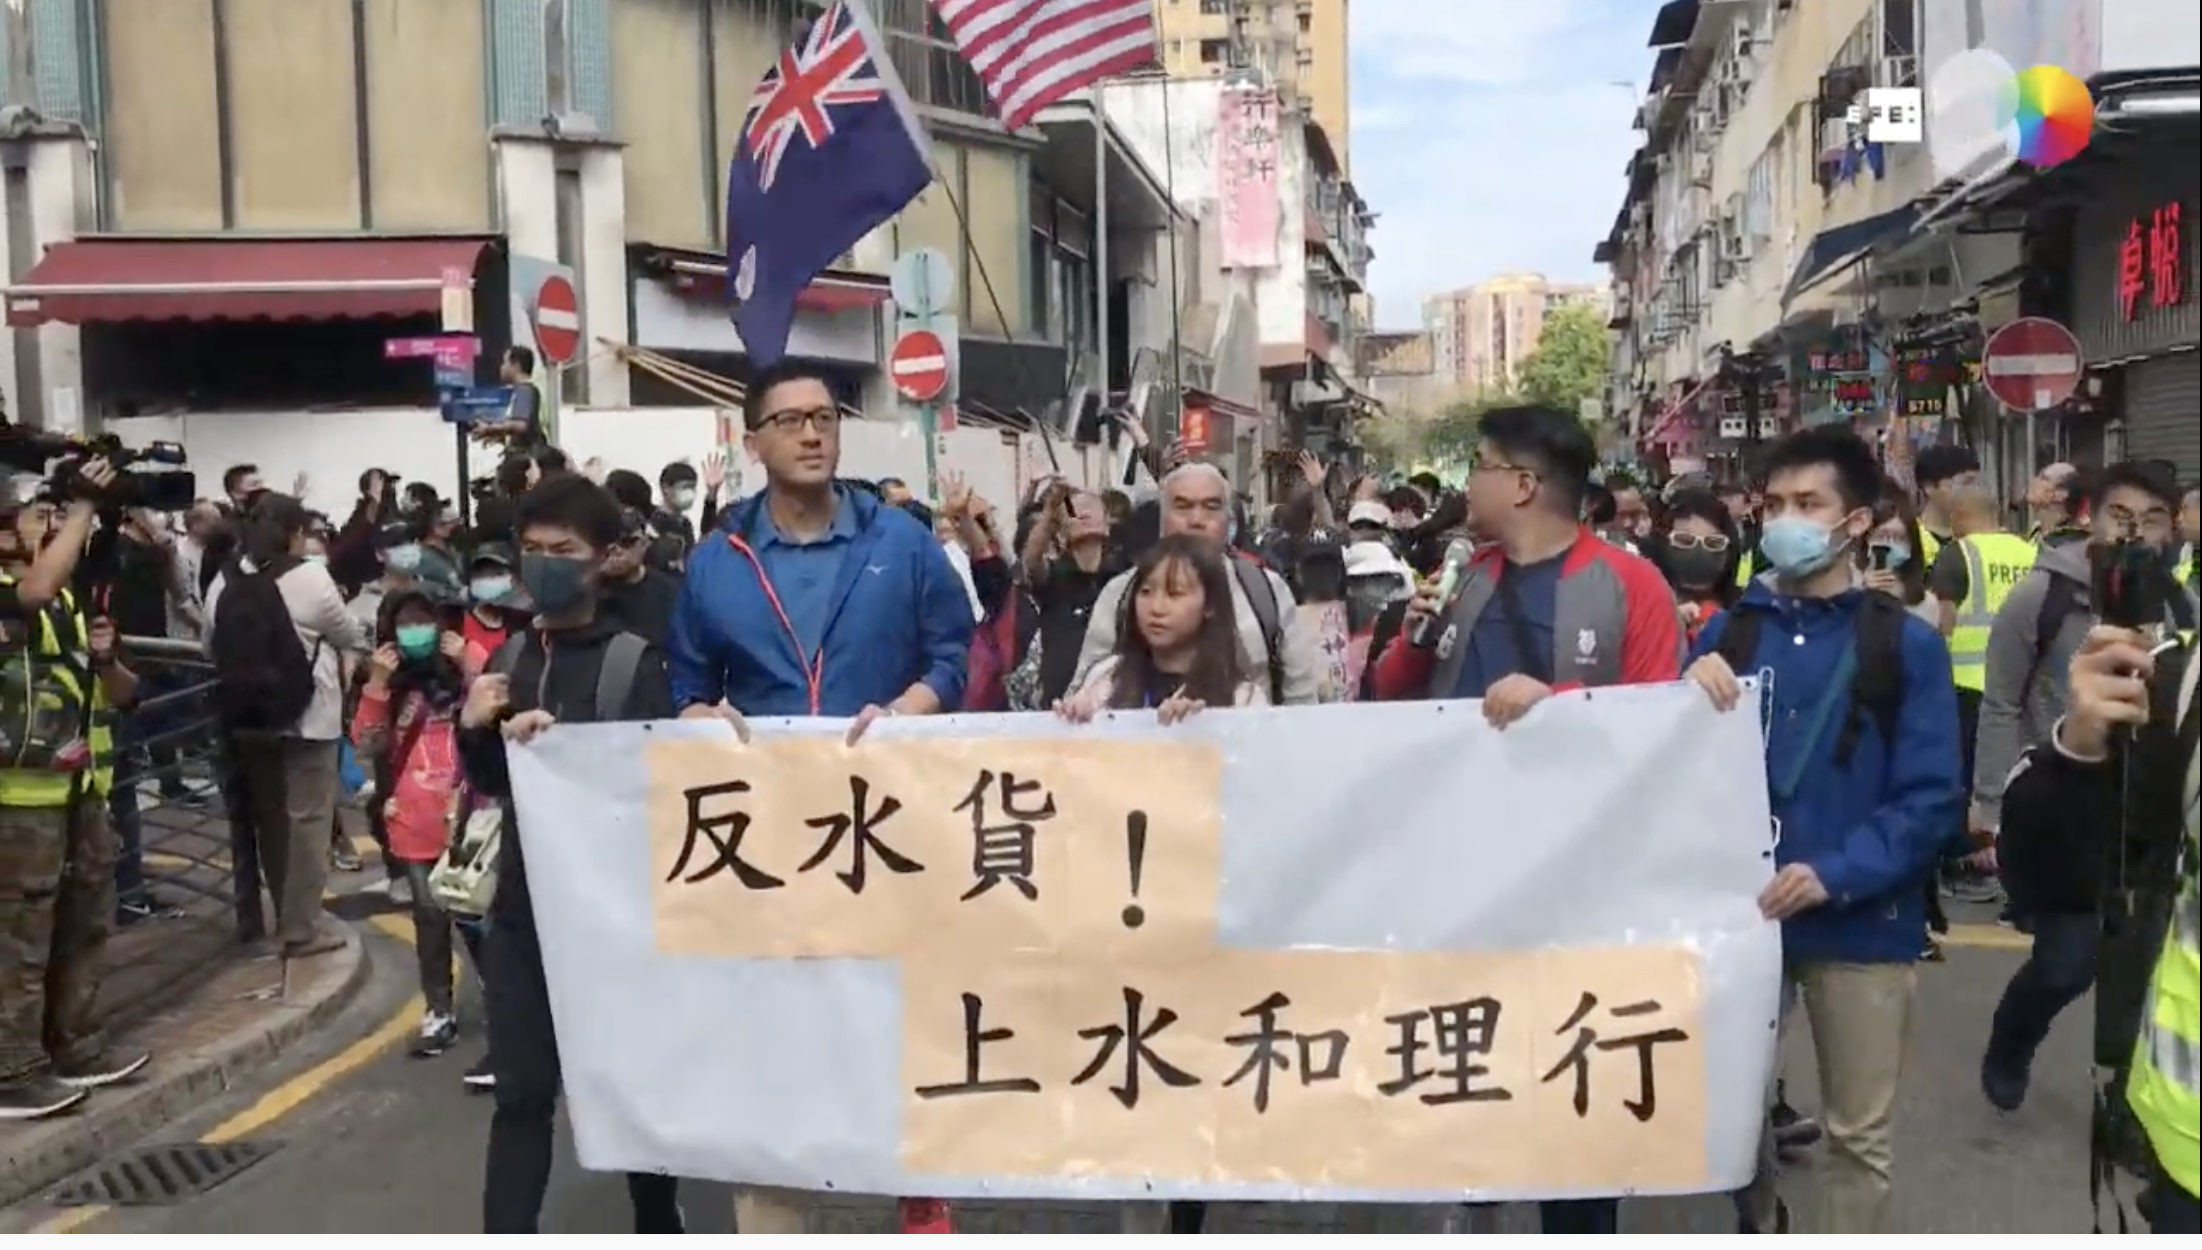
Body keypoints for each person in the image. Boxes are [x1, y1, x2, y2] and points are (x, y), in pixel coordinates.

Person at [663, 358, 970, 1236]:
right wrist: (700, 714)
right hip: (769, 844)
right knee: (776, 1039)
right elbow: (687, 680)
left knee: (899, 1015)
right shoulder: (717, 562)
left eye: (825, 417)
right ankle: (775, 1212)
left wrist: (912, 708)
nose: (810, 433)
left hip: (893, 826)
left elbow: (952, 653)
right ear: (753, 442)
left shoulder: (900, 542)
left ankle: (919, 1196)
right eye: (790, 420)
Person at [1370, 405, 1681, 1235]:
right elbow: (1393, 694)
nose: (1465, 480)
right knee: (1473, 1052)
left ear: (1523, 483)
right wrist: (1407, 642)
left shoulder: (1629, 583)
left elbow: (1659, 723)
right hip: (1461, 869)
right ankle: (1473, 1200)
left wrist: (1561, 705)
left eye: (1478, 464)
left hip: (1583, 880)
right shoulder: (1464, 575)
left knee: (1577, 1061)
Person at [1685, 427, 1962, 1235]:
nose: (1786, 520)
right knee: (1735, 1128)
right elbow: (1667, 780)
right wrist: (1685, 691)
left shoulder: (1903, 642)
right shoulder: (1727, 635)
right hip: (1741, 924)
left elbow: (1930, 796)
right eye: (1774, 504)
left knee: (1858, 1138)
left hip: (1861, 926)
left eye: (1809, 504)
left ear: (1857, 522)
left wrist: (1836, 872)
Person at [454, 472, 685, 1232]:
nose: (544, 564)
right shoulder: (512, 657)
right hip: (524, 916)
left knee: (628, 1095)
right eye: (531, 550)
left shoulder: (633, 661)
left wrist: (573, 749)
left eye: (564, 550)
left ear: (604, 559)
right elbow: (492, 783)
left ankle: (659, 1223)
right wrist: (476, 727)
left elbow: (657, 793)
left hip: (617, 925)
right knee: (521, 1097)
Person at [1977, 460, 2187, 1112]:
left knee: (2146, 977)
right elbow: (2001, 700)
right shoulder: (2042, 595)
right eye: (2121, 516)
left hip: (2152, 830)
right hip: (2066, 810)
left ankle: (2130, 1107)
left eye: (2153, 520)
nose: (2137, 533)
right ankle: (2011, 1042)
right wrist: (1990, 805)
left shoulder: (2185, 610)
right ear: (2090, 517)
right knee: (2065, 966)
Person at [1999, 623, 2197, 1233]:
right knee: (2068, 962)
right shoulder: (2179, 677)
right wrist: (2082, 751)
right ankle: (2015, 1039)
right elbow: (2046, 856)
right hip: (2188, 1142)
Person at [0, 464, 152, 1121]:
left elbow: (124, 695)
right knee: (20, 936)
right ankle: (13, 1068)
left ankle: (73, 1047)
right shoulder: (24, 591)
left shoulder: (67, 598)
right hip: (18, 800)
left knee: (85, 924)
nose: (52, 522)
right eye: (40, 512)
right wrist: (88, 503)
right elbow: (31, 591)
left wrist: (106, 660)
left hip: (81, 789)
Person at [204, 492, 367, 957]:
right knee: (309, 821)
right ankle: (300, 928)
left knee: (271, 821)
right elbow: (349, 633)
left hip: (249, 718)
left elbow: (207, 644)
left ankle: (282, 913)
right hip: (309, 716)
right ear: (296, 534)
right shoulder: (311, 577)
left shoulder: (224, 580)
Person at [1072, 463, 1329, 709]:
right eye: (1182, 507)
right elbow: (1084, 690)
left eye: (1211, 507)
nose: (1196, 520)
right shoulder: (1121, 592)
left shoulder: (1266, 591)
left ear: (1229, 521)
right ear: (1162, 518)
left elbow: (1301, 701)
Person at [352, 588, 480, 1058]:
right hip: (412, 819)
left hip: (468, 813)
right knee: (429, 918)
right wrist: (377, 684)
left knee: (479, 917)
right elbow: (367, 743)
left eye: (423, 621)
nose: (415, 632)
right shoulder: (386, 685)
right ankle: (439, 1008)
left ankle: (504, 1000)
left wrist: (470, 662)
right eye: (405, 624)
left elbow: (496, 713)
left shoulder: (465, 668)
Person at [1058, 533, 1264, 718]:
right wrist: (1075, 722)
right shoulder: (1105, 680)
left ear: (1210, 605)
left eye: (1175, 593)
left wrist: (1196, 732)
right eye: (1146, 592)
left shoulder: (1243, 699)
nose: (1156, 608)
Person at [1020, 484, 1124, 708]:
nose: (1084, 513)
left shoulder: (1123, 577)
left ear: (1108, 523)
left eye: (1093, 508)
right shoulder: (1054, 576)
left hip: (1113, 703)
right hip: (1058, 704)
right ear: (1062, 530)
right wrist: (1049, 515)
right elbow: (1030, 563)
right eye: (1074, 510)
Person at [1649, 487, 1741, 644]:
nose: (1698, 552)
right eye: (1684, 541)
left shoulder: (1742, 613)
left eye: (1713, 543)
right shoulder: (1644, 605)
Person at [599, 507, 681, 644]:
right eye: (610, 544)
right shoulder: (592, 589)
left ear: (644, 543)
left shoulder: (668, 591)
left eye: (627, 542)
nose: (618, 551)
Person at [471, 346, 544, 448]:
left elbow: (520, 425)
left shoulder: (524, 390)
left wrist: (489, 429)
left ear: (516, 366)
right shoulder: (524, 390)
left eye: (505, 362)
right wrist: (498, 436)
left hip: (525, 458)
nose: (502, 367)